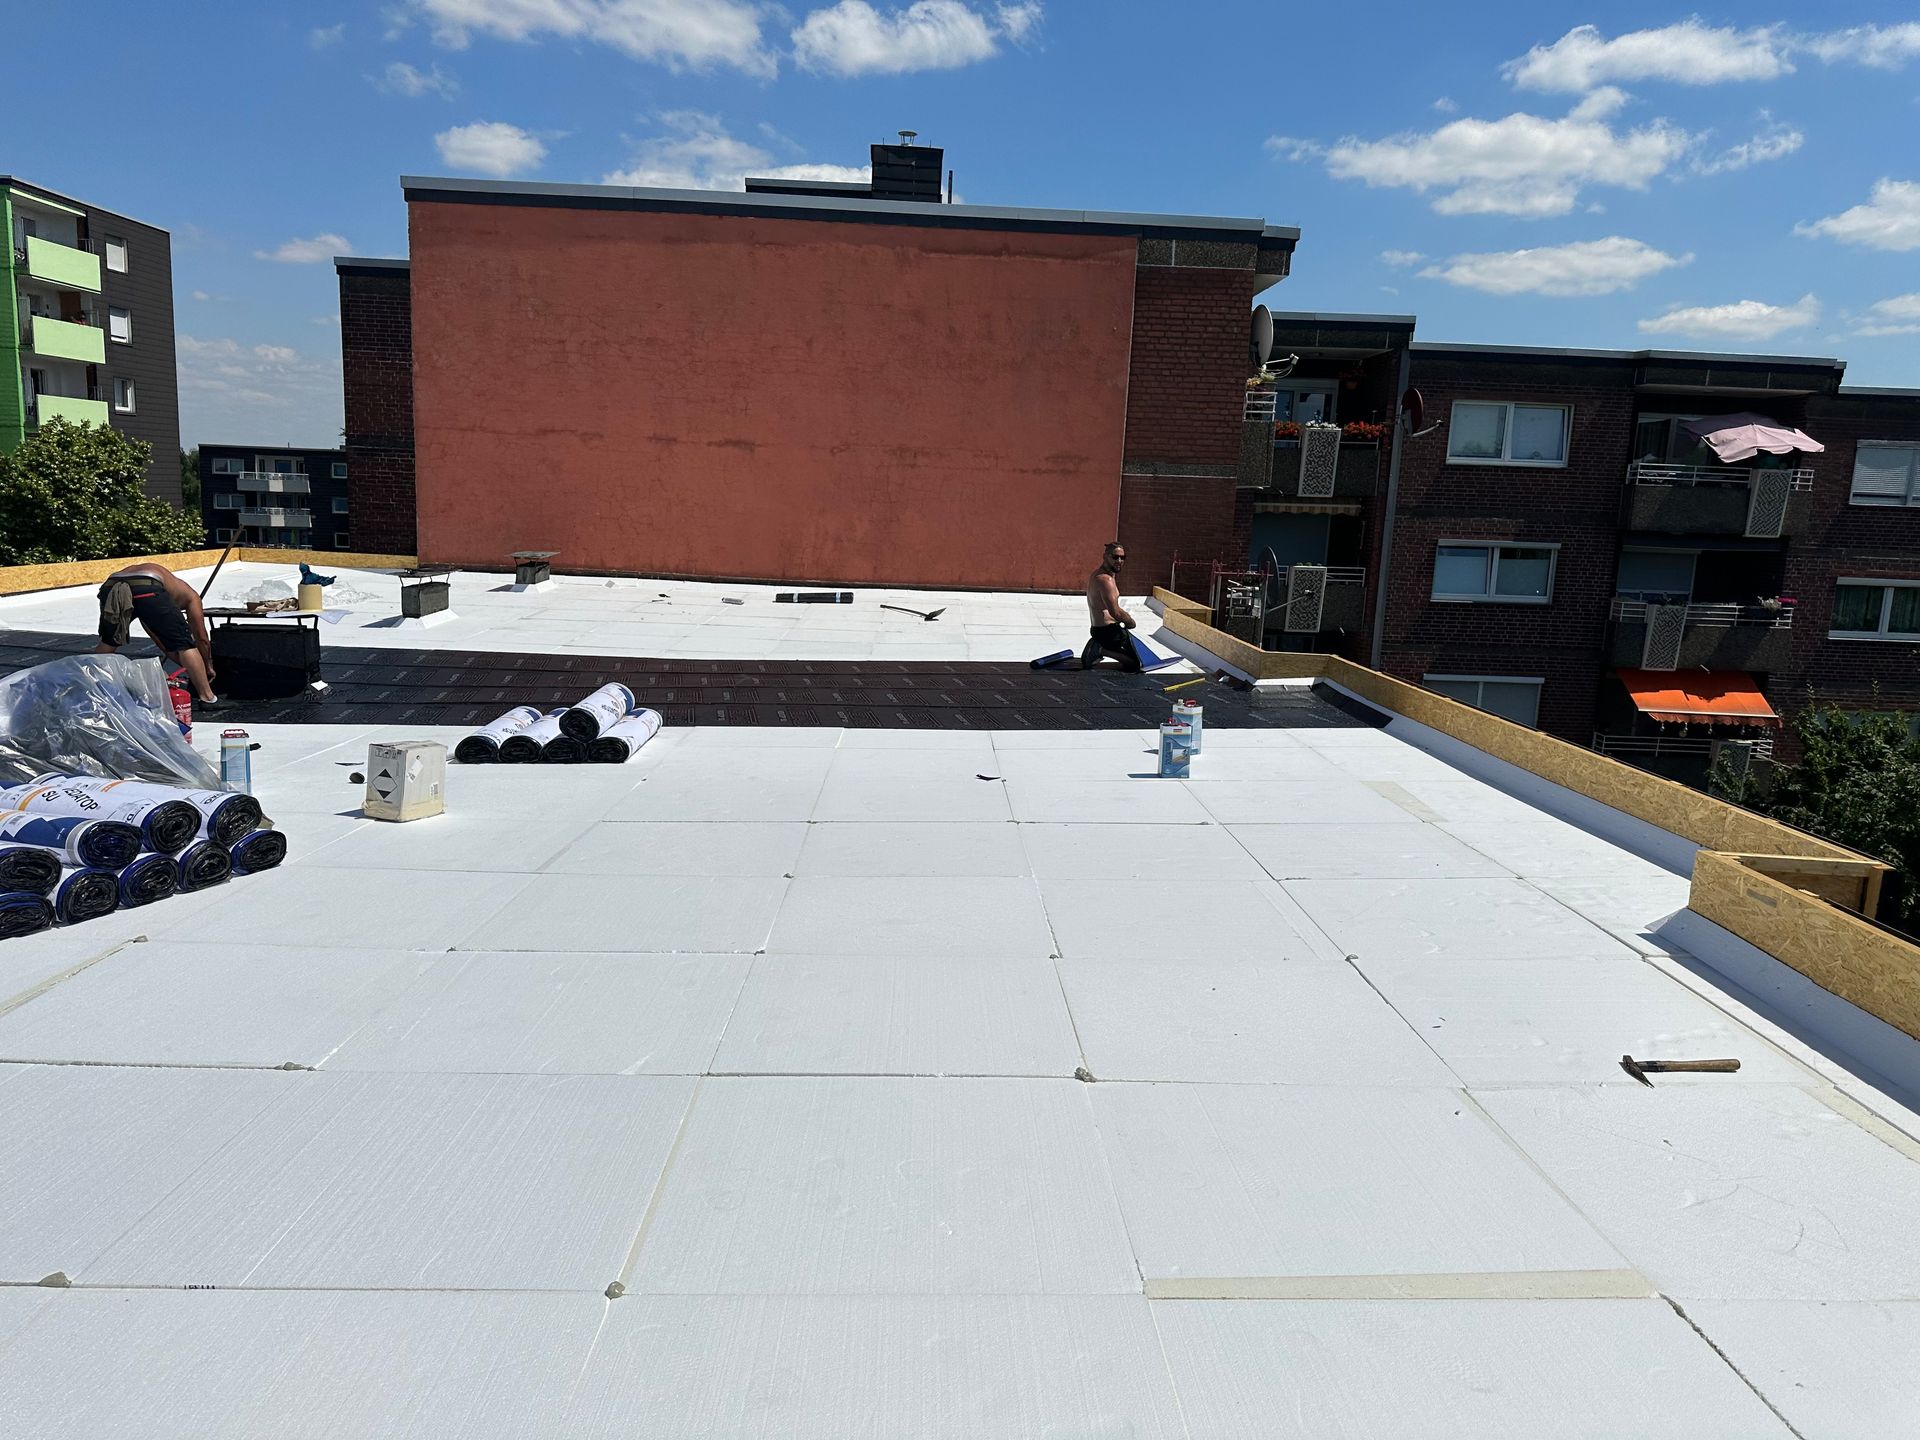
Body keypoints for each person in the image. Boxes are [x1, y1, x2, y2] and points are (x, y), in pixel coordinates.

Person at [95, 562, 222, 706]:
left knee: (109, 641)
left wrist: (191, 668)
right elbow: (201, 637)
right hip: (146, 585)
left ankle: (93, 687)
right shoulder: (192, 598)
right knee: (185, 644)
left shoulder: (168, 589)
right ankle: (207, 697)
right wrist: (206, 666)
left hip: (111, 586)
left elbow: (160, 640)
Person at [1081, 541, 1141, 672]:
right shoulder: (1105, 580)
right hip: (1108, 633)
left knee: (1136, 655)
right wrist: (1130, 621)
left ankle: (1099, 646)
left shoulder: (1099, 574)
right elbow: (1116, 613)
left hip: (1101, 630)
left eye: (1122, 557)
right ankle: (1101, 650)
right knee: (1137, 664)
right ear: (1105, 557)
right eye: (1115, 557)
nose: (1119, 561)